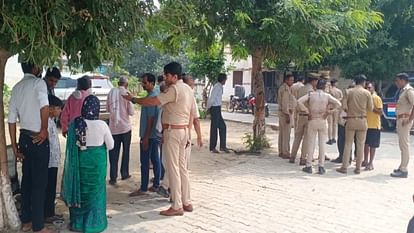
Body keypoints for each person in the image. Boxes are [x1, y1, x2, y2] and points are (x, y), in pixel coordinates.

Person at [123, 62, 201, 216]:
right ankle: (186, 201)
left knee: (173, 169)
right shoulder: (188, 89)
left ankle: (177, 205)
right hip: (183, 130)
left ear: (174, 76)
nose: (164, 78)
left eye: (166, 75)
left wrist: (134, 99)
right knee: (182, 168)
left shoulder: (175, 89)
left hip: (173, 131)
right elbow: (193, 113)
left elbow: (153, 101)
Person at [8, 62, 52, 233]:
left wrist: (14, 147)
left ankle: (26, 220)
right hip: (37, 138)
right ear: (35, 68)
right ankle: (39, 226)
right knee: (39, 183)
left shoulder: (16, 88)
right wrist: (44, 129)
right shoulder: (38, 83)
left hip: (24, 138)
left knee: (27, 181)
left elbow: (11, 120)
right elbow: (44, 106)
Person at [62, 95, 114, 233]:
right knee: (97, 192)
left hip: (80, 164)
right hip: (97, 165)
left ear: (83, 107)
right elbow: (111, 145)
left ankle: (78, 224)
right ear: (97, 109)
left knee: (81, 189)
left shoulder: (75, 124)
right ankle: (95, 224)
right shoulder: (102, 125)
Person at [298, 79, 341, 174]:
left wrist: (306, 111)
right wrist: (329, 112)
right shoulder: (327, 96)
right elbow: (339, 104)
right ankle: (321, 166)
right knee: (322, 144)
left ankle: (308, 165)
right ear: (324, 86)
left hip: (313, 119)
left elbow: (299, 101)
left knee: (311, 143)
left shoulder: (311, 95)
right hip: (322, 120)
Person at [129, 73, 161, 196]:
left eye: (145, 82)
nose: (143, 84)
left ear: (152, 83)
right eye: (143, 82)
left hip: (149, 135)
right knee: (155, 159)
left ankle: (143, 188)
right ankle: (156, 184)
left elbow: (150, 119)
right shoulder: (154, 95)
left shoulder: (151, 98)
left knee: (145, 162)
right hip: (153, 135)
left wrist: (146, 137)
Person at [336, 74, 373, 175]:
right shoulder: (367, 93)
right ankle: (358, 168)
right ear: (363, 82)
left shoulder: (349, 92)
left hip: (351, 120)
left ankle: (344, 167)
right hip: (363, 120)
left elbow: (344, 107)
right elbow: (370, 108)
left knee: (348, 144)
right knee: (360, 145)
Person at [107, 76, 134, 185]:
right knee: (126, 151)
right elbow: (131, 112)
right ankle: (124, 173)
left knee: (113, 152)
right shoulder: (127, 94)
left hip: (113, 127)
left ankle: (113, 177)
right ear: (126, 84)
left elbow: (108, 109)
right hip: (125, 127)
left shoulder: (111, 92)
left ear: (118, 83)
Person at [290, 74, 318, 165]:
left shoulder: (301, 89)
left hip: (300, 115)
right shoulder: (311, 91)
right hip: (308, 116)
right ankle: (303, 158)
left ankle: (292, 156)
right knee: (306, 138)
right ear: (313, 81)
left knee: (297, 137)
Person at [44, 95, 64, 224]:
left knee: (51, 187)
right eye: (58, 108)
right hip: (48, 161)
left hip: (53, 161)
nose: (60, 111)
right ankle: (48, 214)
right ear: (50, 109)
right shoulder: (45, 122)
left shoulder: (51, 121)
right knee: (49, 187)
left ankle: (50, 212)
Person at [391, 73, 414, 178]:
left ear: (403, 80)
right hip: (401, 119)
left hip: (405, 119)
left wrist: (409, 119)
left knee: (404, 145)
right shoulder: (403, 91)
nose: (397, 83)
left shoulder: (409, 91)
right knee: (402, 145)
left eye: (398, 80)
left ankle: (404, 169)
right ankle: (401, 166)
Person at [183, 74, 203, 167]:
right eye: (192, 85)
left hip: (173, 131)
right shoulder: (191, 97)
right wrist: (199, 136)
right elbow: (196, 120)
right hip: (186, 132)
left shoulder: (176, 94)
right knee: (184, 161)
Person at [362, 82, 382, 171]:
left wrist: (372, 107)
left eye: (370, 87)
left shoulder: (376, 98)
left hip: (374, 125)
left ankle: (371, 162)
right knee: (365, 144)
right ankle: (365, 160)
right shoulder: (364, 98)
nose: (368, 89)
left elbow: (380, 112)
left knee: (372, 145)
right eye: (367, 88)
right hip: (365, 124)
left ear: (373, 88)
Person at [207, 74, 229, 153]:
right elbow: (212, 98)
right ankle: (212, 147)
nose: (225, 81)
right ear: (223, 80)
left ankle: (222, 146)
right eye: (225, 80)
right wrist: (208, 108)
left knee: (222, 126)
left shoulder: (219, 87)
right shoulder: (217, 87)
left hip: (217, 108)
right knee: (214, 128)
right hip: (215, 108)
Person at [278, 74, 295, 159]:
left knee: (282, 133)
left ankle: (281, 151)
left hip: (282, 113)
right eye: (291, 80)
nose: (292, 82)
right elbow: (285, 104)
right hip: (285, 114)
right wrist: (287, 115)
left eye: (293, 80)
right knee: (286, 134)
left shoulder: (285, 88)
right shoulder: (285, 89)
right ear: (286, 80)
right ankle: (286, 152)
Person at [327, 79, 343, 144]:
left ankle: (330, 138)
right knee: (335, 123)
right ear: (335, 83)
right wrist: (337, 100)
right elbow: (341, 98)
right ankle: (334, 138)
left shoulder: (329, 91)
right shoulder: (339, 91)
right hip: (336, 108)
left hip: (330, 108)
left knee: (330, 124)